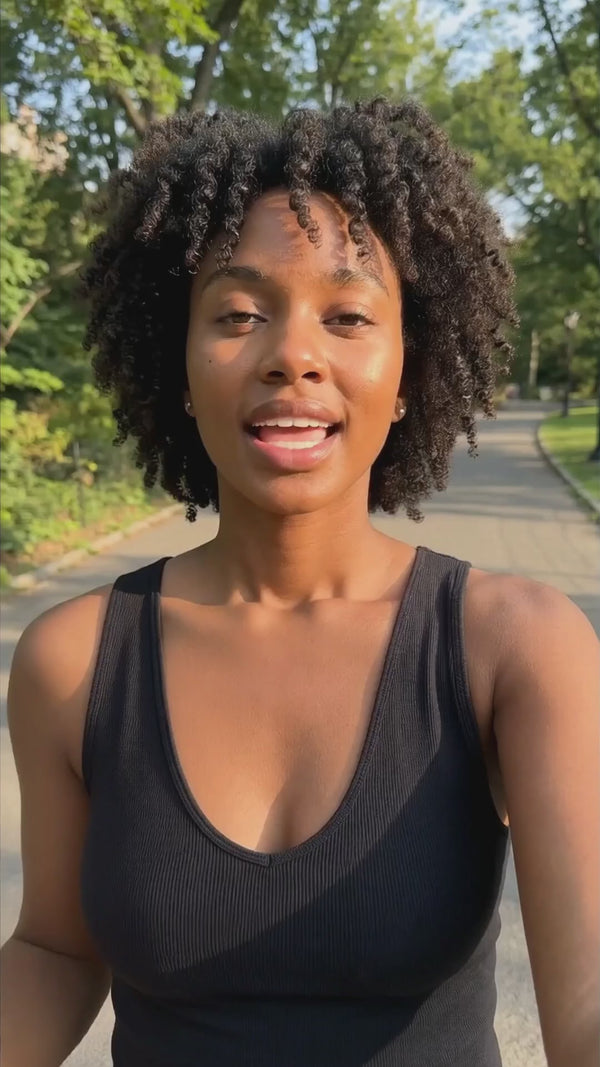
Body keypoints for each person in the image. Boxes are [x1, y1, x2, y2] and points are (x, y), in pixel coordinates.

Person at [1, 98, 598, 1067]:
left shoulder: (514, 646)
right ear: (180, 365)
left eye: (349, 315)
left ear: (407, 371)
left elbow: (589, 990)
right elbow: (55, 949)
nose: (292, 356)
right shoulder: (73, 661)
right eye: (238, 314)